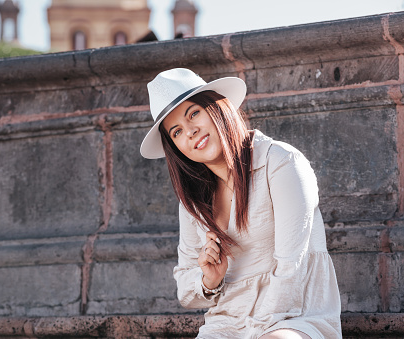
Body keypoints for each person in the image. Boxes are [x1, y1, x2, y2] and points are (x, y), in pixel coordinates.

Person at [140, 68, 342, 339]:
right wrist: (209, 280)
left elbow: (291, 270)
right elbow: (186, 290)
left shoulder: (281, 163)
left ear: (216, 107)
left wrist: (256, 333)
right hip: (226, 324)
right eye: (176, 132)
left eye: (194, 113)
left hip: (293, 317)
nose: (190, 132)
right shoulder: (193, 202)